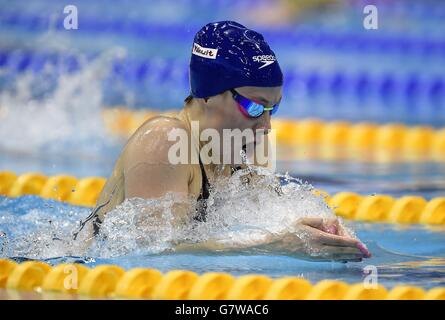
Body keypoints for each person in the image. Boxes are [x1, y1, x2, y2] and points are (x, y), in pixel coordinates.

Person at [74, 21, 371, 262]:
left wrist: (321, 228)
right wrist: (278, 244)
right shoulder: (164, 141)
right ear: (208, 95)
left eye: (273, 108)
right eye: (254, 107)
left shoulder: (238, 152)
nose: (266, 125)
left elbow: (274, 215)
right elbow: (150, 251)